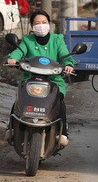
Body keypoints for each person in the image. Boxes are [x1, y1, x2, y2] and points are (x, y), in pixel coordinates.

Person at [6, 9, 75, 145]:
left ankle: (63, 133)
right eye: (37, 23)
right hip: (29, 80)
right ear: (32, 26)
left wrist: (68, 64)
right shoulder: (27, 40)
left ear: (49, 24)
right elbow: (18, 52)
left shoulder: (57, 39)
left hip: (54, 81)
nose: (41, 25)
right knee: (19, 101)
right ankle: (11, 127)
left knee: (59, 103)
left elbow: (65, 55)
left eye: (44, 22)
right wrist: (12, 59)